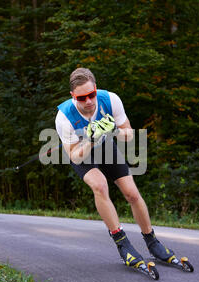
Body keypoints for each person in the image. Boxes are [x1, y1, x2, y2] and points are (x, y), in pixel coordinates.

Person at [55, 67, 181, 269]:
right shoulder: (63, 117)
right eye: (81, 98)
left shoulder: (110, 100)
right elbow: (75, 157)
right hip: (82, 151)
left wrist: (113, 129)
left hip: (105, 145)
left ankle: (152, 242)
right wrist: (90, 140)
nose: (88, 101)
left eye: (91, 95)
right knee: (100, 186)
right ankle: (122, 243)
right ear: (72, 96)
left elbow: (129, 135)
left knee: (131, 193)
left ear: (96, 88)